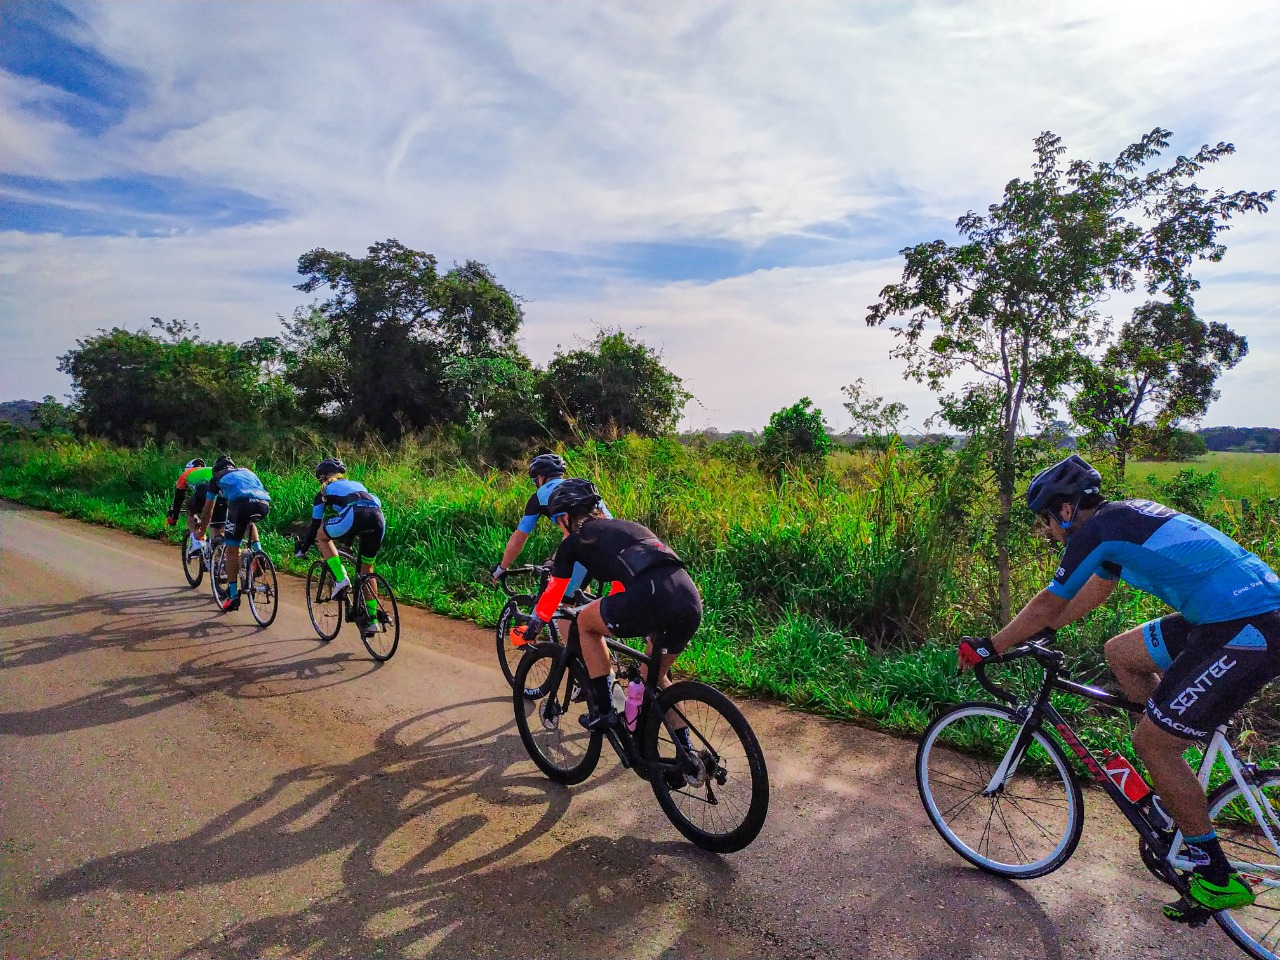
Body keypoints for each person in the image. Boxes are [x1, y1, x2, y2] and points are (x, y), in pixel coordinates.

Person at [958, 454, 1280, 919]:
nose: (1046, 531)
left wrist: (991, 645)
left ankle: (1215, 876)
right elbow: (1095, 590)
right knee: (1122, 655)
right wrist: (1042, 633)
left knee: (1152, 743)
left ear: (1066, 510)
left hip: (1245, 626)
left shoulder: (1095, 531)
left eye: (1046, 520)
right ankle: (1178, 767)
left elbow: (1051, 600)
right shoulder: (1121, 519)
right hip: (1230, 613)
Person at [517, 478, 701, 740]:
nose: (560, 526)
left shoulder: (575, 541)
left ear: (567, 518)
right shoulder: (624, 526)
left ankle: (605, 710)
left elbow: (552, 597)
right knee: (655, 677)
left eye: (559, 520)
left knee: (585, 623)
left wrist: (532, 629)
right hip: (688, 598)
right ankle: (690, 758)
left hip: (650, 595)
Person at [293, 457, 386, 639]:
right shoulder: (356, 484)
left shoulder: (324, 490)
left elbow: (315, 525)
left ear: (322, 477)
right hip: (378, 517)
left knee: (321, 534)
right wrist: (348, 539)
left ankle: (340, 577)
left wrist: (302, 549)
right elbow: (371, 505)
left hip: (354, 514)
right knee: (367, 569)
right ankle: (372, 620)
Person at [200, 455, 271, 612]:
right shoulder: (247, 471)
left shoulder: (216, 478)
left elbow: (208, 509)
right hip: (264, 504)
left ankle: (233, 596)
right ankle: (258, 554)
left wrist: (201, 530)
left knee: (232, 550)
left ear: (216, 470)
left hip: (240, 505)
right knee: (249, 522)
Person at [164, 458, 224, 556]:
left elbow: (178, 499)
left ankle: (197, 542)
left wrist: (174, 517)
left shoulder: (186, 474)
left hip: (204, 493)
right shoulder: (212, 470)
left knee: (190, 509)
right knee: (216, 527)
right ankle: (219, 557)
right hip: (222, 497)